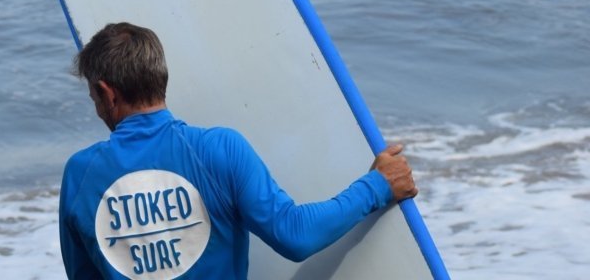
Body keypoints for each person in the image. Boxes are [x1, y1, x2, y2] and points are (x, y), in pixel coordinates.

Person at [59, 22, 418, 279]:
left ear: (108, 93)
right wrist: (378, 185)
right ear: (159, 76)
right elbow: (296, 235)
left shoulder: (80, 175)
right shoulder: (220, 149)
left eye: (93, 97)